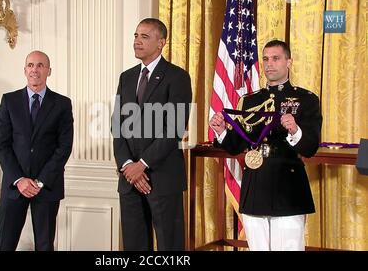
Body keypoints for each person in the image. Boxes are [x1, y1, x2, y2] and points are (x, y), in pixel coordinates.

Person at [209, 39, 322, 251]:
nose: (269, 64)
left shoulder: (305, 99)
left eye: (276, 58)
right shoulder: (249, 101)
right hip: (255, 185)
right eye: (266, 59)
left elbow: (310, 147)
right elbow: (237, 146)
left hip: (288, 188)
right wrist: (222, 131)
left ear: (288, 62)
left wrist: (295, 130)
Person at [112, 18, 192, 251]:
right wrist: (129, 165)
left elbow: (175, 129)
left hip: (163, 178)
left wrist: (143, 164)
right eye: (136, 36)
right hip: (129, 180)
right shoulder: (126, 77)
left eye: (144, 37)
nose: (137, 41)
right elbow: (117, 125)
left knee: (169, 247)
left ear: (161, 43)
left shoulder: (177, 77)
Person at [0, 50, 74, 251]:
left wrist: (40, 181)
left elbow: (63, 148)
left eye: (40, 65)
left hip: (46, 187)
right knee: (5, 243)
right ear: (24, 70)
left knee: (45, 245)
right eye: (30, 65)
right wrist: (19, 180)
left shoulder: (62, 104)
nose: (35, 70)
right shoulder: (9, 101)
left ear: (49, 71)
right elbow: (2, 146)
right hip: (14, 187)